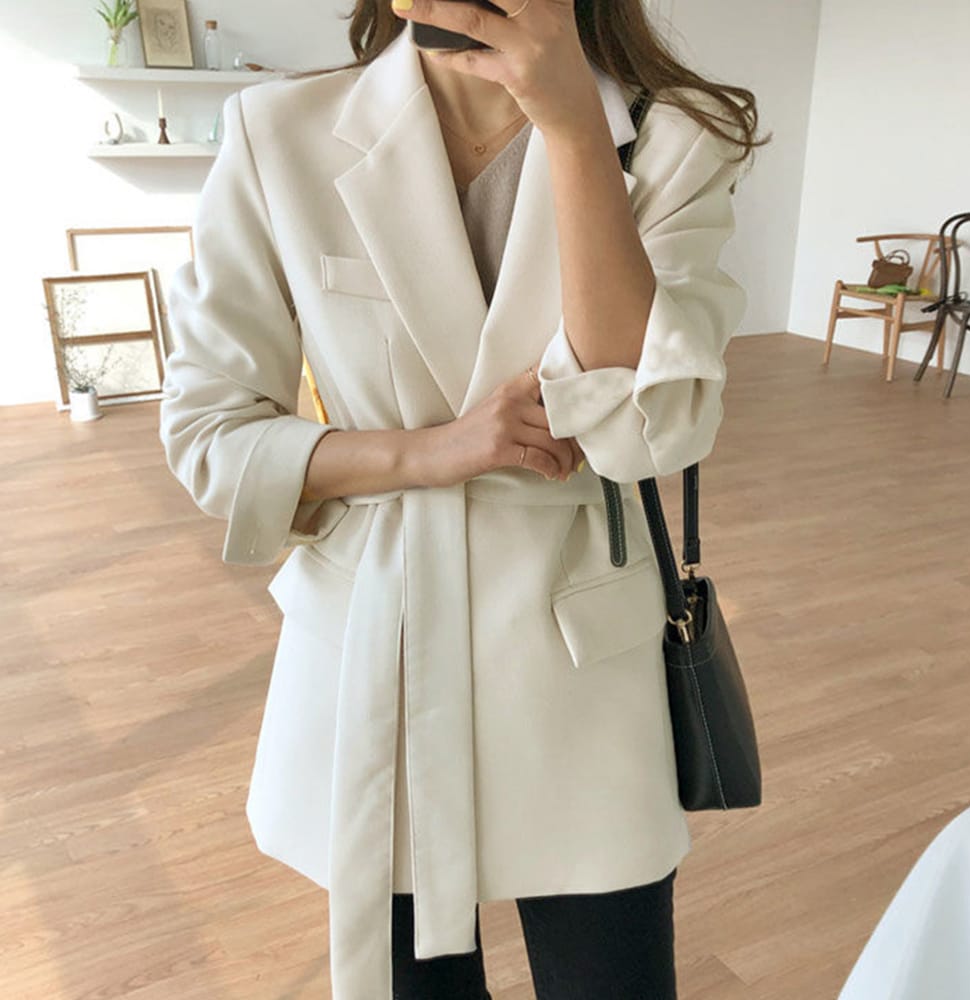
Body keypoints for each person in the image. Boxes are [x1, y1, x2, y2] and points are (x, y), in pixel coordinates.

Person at [158, 1, 767, 998]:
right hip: (377, 649)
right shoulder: (281, 131)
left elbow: (645, 432)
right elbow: (210, 438)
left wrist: (576, 132)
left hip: (579, 660)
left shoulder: (674, 136)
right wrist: (429, 451)